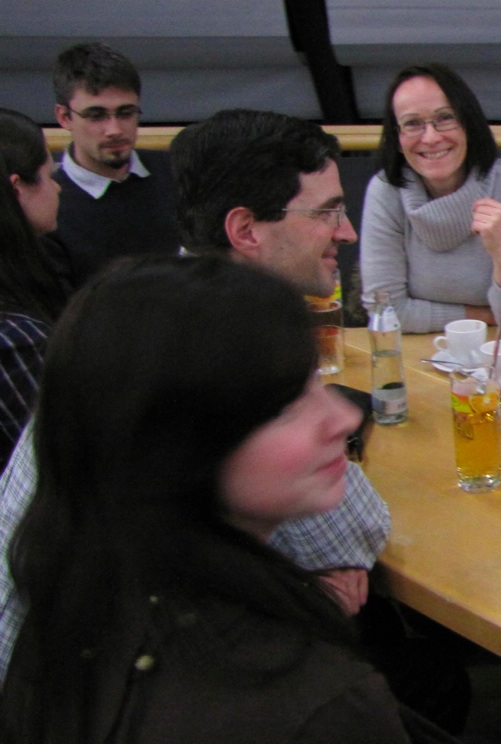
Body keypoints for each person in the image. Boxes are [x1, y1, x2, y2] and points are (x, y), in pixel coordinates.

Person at [0, 257, 461, 742]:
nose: (344, 419)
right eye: (287, 405)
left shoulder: (72, 608)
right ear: (179, 446)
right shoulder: (308, 706)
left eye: (315, 384)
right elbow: (354, 536)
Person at [0, 109, 389, 681]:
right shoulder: (227, 337)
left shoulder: (145, 305)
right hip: (77, 697)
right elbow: (354, 534)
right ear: (246, 230)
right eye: (327, 211)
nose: (347, 232)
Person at [361, 63, 501, 337]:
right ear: (397, 139)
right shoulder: (386, 192)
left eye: (445, 118)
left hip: (494, 352)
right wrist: (482, 316)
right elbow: (386, 312)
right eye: (412, 124)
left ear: (468, 125)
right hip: (415, 353)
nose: (431, 137)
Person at [50, 42, 179, 285]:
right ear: (64, 117)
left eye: (126, 113)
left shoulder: (178, 172)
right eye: (96, 115)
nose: (115, 130)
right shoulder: (49, 207)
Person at [0, 109, 69, 467]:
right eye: (49, 176)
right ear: (17, 189)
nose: (57, 187)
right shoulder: (18, 342)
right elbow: (59, 461)